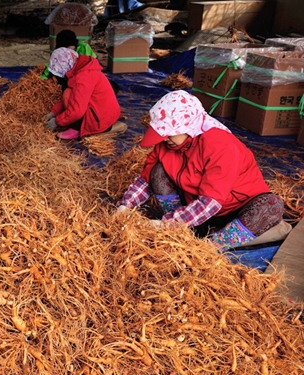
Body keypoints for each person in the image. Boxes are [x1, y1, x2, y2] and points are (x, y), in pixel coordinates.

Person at [117, 90, 291, 249]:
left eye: (169, 133)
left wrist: (166, 224)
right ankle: (186, 230)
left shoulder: (219, 145)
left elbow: (210, 202)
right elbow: (145, 179)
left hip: (235, 209)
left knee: (271, 206)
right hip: (196, 210)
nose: (165, 139)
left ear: (187, 126)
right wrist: (125, 205)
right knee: (158, 171)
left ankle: (210, 246)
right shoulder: (167, 145)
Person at [43, 47, 126, 140]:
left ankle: (77, 129)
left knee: (68, 93)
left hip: (99, 120)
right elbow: (75, 97)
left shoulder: (83, 78)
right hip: (105, 114)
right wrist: (53, 112)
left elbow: (77, 111)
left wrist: (57, 121)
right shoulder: (83, 68)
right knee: (69, 93)